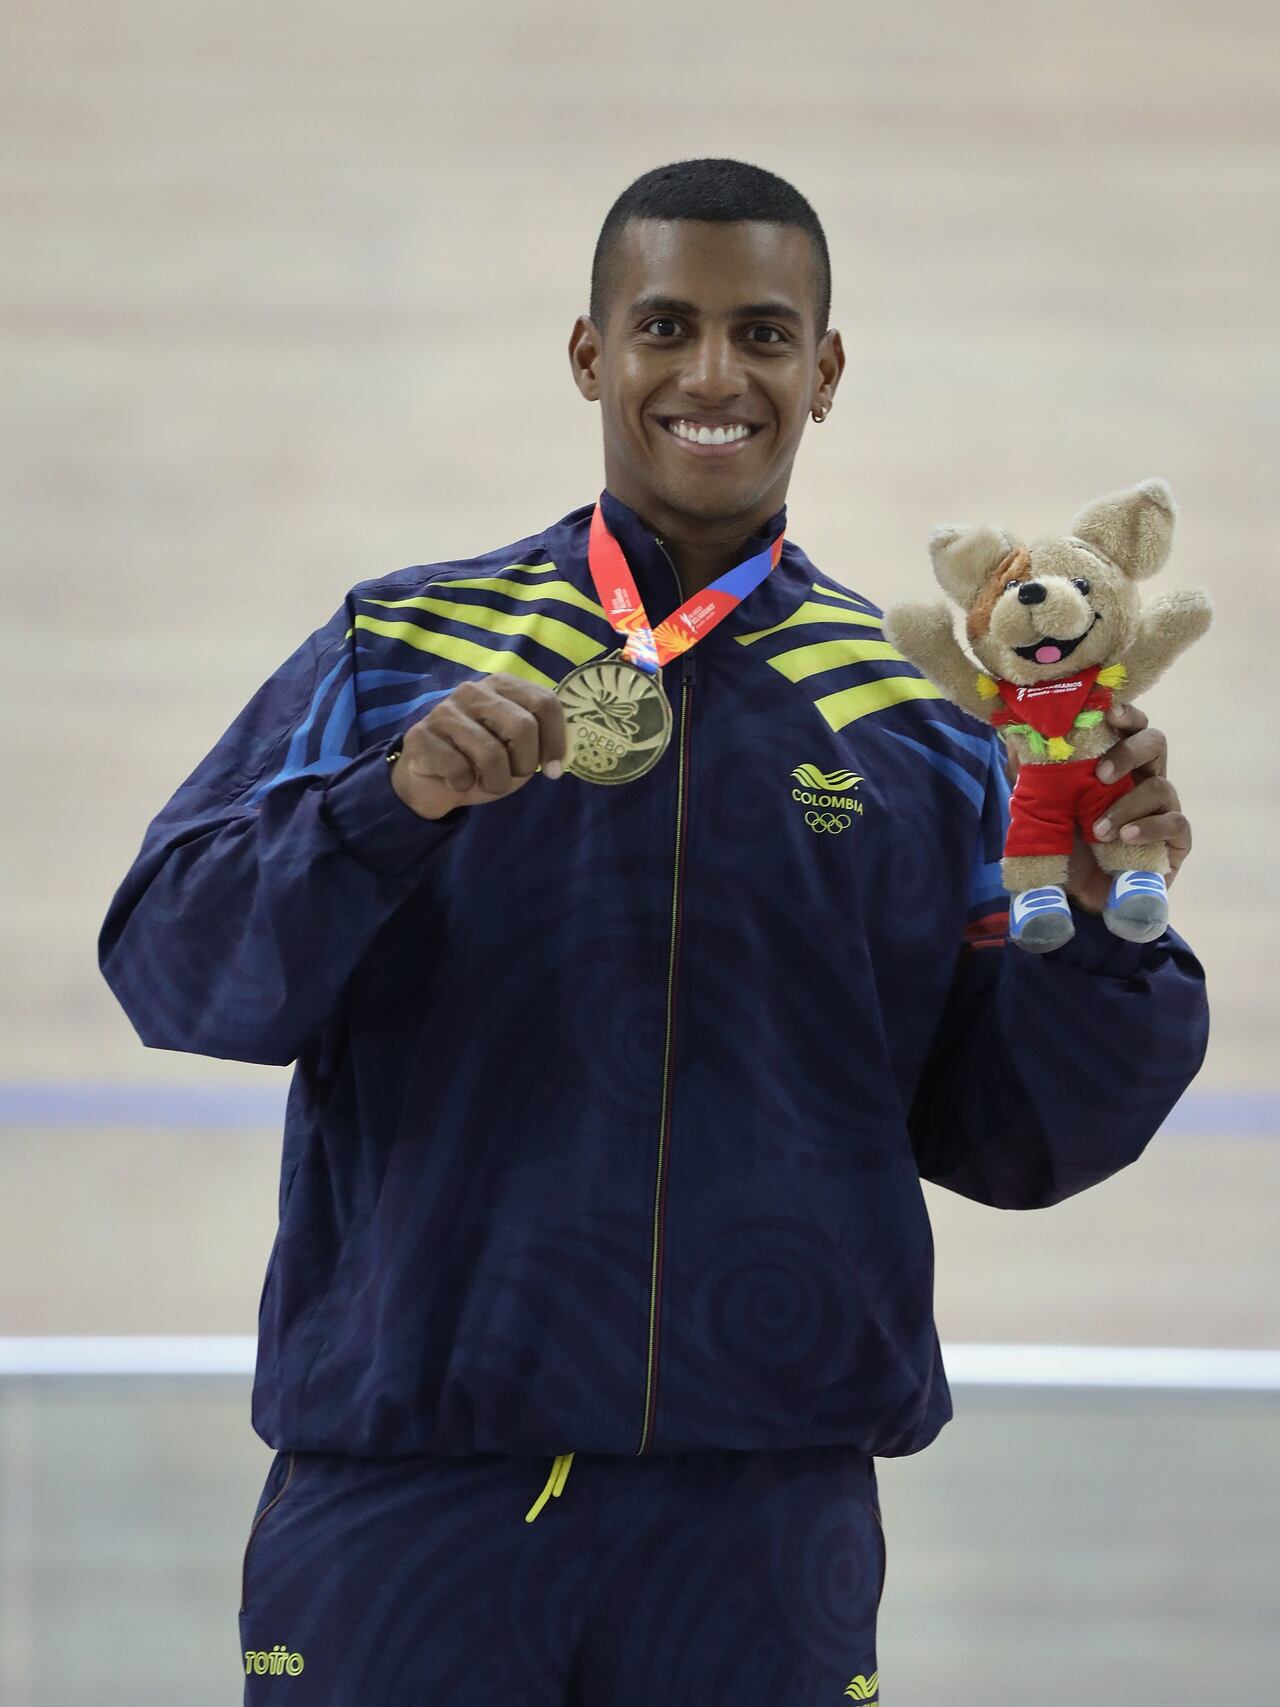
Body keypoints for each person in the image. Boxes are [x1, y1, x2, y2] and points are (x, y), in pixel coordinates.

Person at [99, 158, 1208, 1706]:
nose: (711, 374)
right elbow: (171, 964)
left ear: (824, 374)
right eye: (665, 325)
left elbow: (1016, 1136)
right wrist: (383, 806)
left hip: (760, 1524)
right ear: (588, 353)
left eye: (763, 334)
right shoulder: (405, 645)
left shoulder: (922, 728)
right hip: (409, 1500)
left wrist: (1090, 927)